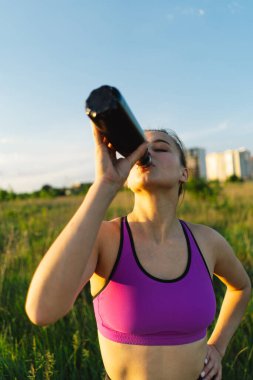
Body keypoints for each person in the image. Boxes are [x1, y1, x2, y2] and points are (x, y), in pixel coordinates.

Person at [25, 125, 251, 380]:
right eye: (138, 149)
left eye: (161, 148)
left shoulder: (208, 241)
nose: (147, 153)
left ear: (184, 173)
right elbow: (41, 311)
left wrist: (218, 348)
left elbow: (241, 287)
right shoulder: (106, 239)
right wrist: (105, 184)